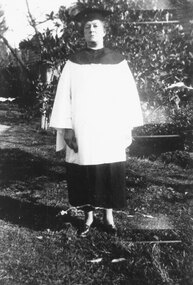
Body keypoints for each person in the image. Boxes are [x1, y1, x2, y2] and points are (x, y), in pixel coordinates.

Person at [49, 7, 143, 237]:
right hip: (82, 128)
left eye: (95, 26)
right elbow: (63, 96)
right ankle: (88, 217)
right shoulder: (73, 63)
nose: (91, 29)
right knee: (85, 170)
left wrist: (125, 125)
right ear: (83, 33)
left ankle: (109, 216)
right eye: (87, 26)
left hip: (108, 128)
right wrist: (66, 128)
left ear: (104, 31)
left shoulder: (118, 62)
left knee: (109, 168)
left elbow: (128, 95)